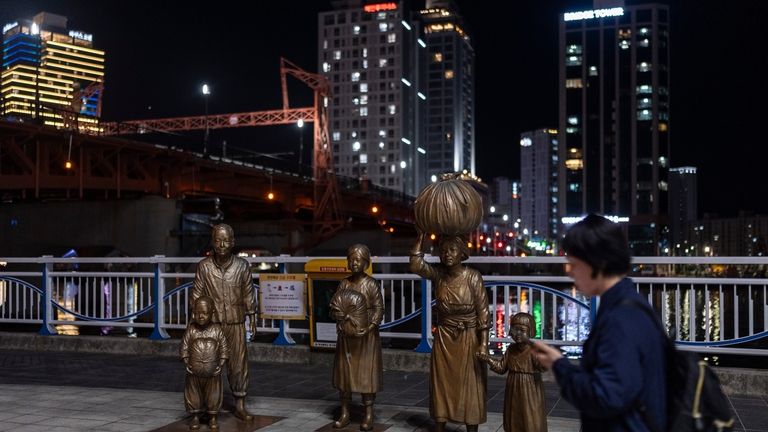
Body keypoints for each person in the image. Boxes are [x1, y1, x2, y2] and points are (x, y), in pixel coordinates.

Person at [531, 214, 667, 431]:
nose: (569, 272)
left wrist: (561, 367)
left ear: (597, 262)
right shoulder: (632, 304)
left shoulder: (621, 320)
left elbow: (606, 396)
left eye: (574, 264)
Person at [410, 232, 490, 432]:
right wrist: (420, 239)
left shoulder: (473, 277)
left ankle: (471, 425)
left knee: (470, 382)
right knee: (442, 381)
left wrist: (483, 343)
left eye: (452, 250)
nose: (447, 254)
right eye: (443, 250)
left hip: (468, 336)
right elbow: (416, 266)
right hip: (444, 336)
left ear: (462, 253)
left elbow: (483, 312)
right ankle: (440, 422)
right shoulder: (439, 275)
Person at [191, 224, 257, 421]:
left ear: (233, 242)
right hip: (213, 324)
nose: (222, 244)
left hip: (236, 322)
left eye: (226, 240)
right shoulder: (204, 266)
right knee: (209, 363)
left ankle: (240, 404)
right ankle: (207, 406)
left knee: (238, 364)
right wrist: (194, 322)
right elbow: (196, 294)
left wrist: (252, 317)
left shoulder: (242, 266)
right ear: (213, 242)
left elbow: (248, 292)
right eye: (218, 240)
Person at [330, 244, 383, 431]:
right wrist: (339, 319)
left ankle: (368, 414)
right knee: (345, 374)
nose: (354, 263)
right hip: (346, 335)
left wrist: (370, 327)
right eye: (351, 259)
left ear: (366, 263)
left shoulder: (371, 284)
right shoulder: (344, 283)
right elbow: (335, 307)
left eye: (358, 260)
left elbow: (378, 308)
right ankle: (345, 412)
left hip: (366, 336)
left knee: (366, 374)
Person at [477, 312, 547, 432]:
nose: (518, 334)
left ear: (530, 331)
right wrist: (488, 359)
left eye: (522, 330)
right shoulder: (511, 349)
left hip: (530, 389)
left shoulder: (534, 350)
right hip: (513, 387)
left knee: (530, 416)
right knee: (513, 416)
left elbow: (543, 367)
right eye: (515, 330)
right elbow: (501, 368)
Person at [180, 296, 229, 431]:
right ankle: (195, 416)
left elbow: (224, 348)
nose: (200, 316)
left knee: (213, 394)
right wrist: (186, 362)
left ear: (212, 313)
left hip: (213, 372)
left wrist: (221, 364)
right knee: (193, 394)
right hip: (194, 372)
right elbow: (184, 348)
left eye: (204, 313)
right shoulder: (191, 330)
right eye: (197, 313)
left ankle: (213, 417)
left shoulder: (217, 330)